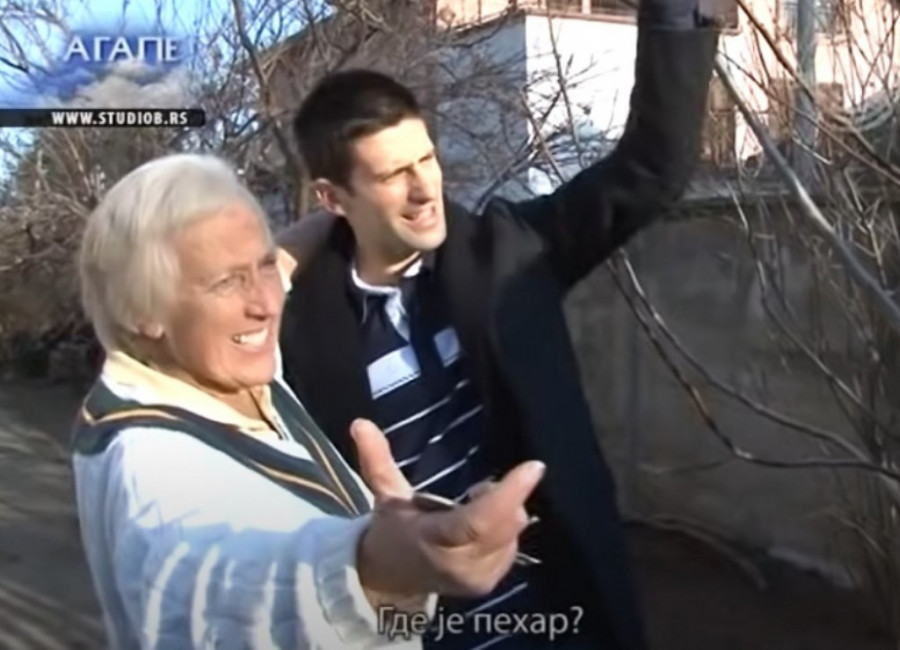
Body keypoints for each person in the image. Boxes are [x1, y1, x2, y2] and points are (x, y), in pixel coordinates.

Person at [276, 3, 720, 648]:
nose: (425, 189)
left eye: (426, 159)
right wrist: (278, 259)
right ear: (331, 197)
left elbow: (653, 167)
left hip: (564, 623)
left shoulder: (508, 255)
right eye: (394, 174)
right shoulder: (295, 333)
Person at [70, 153, 547, 650]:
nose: (265, 304)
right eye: (227, 281)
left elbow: (282, 262)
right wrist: (376, 574)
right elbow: (211, 593)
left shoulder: (210, 368)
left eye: (262, 266)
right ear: (143, 312)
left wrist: (350, 211)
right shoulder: (153, 464)